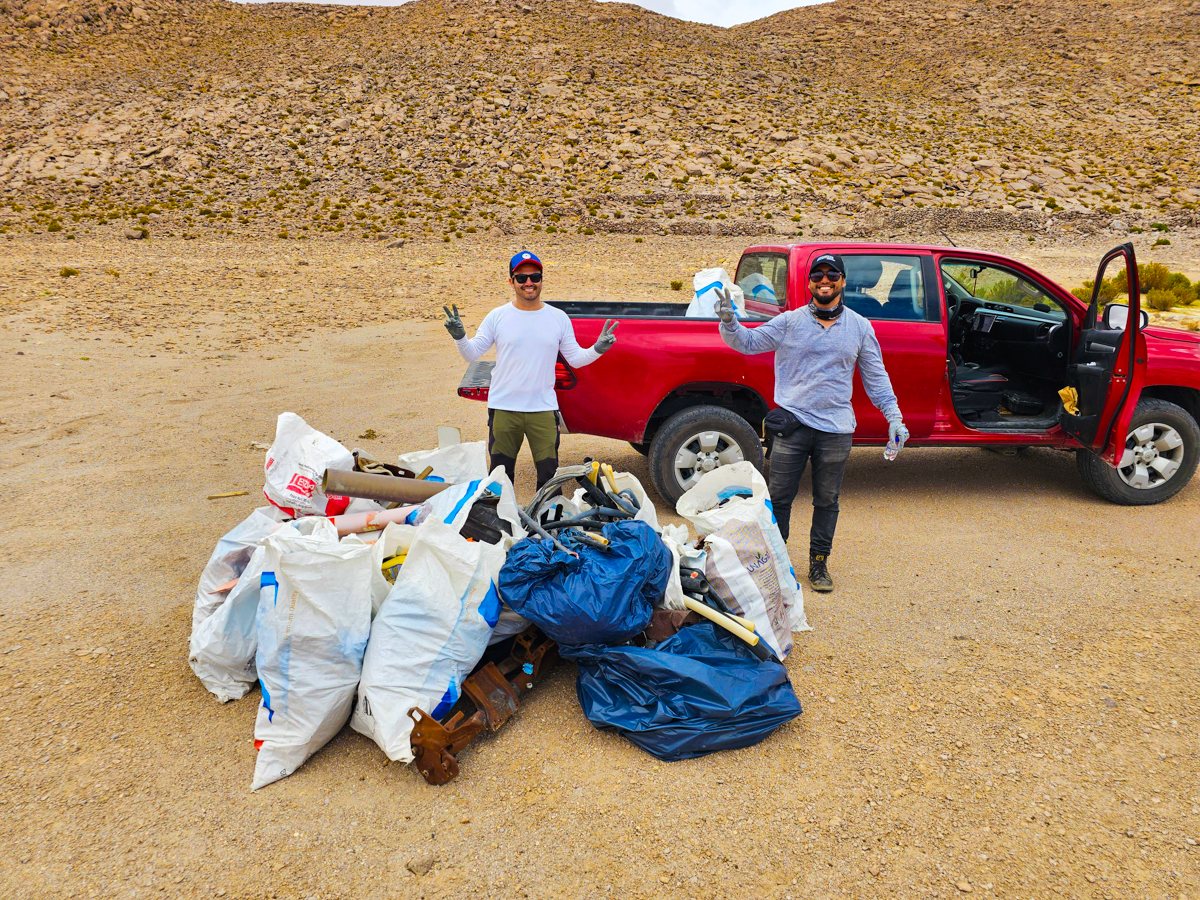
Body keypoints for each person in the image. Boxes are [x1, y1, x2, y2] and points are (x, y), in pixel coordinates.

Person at [715, 252, 909, 593]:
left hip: (836, 430)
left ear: (843, 281)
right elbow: (746, 343)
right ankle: (775, 561)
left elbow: (876, 378)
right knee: (779, 498)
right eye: (817, 275)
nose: (824, 280)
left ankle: (819, 564)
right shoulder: (789, 322)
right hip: (793, 425)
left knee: (827, 500)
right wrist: (730, 322)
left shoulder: (861, 327)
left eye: (832, 275)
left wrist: (894, 416)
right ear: (809, 283)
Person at [444, 250, 617, 488]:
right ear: (511, 281)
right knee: (500, 478)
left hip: (543, 410)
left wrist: (597, 348)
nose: (529, 283)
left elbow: (575, 359)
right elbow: (471, 353)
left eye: (535, 277)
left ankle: (545, 523)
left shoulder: (558, 317)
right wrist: (460, 336)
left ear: (542, 280)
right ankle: (501, 523)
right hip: (504, 408)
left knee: (549, 478)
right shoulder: (498, 316)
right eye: (521, 277)